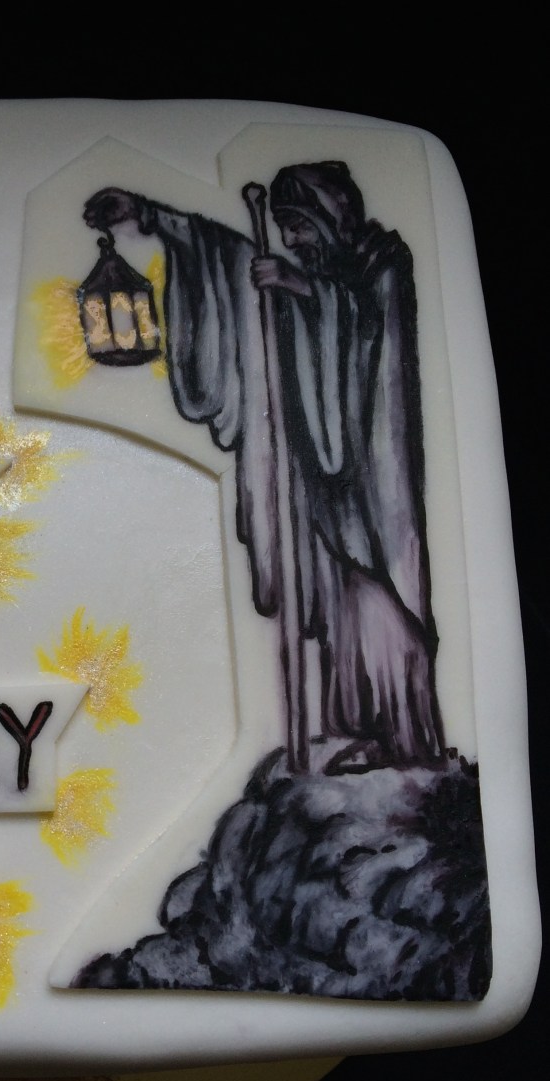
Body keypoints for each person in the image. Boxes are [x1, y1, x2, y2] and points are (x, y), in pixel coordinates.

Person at [84, 162, 444, 769]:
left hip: (370, 471)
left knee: (375, 587)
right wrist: (148, 215)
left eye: (299, 227)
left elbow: (368, 330)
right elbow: (231, 255)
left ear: (330, 218)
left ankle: (406, 736)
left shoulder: (383, 262)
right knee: (339, 591)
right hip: (326, 474)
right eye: (286, 229)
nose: (294, 241)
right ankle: (360, 724)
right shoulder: (320, 272)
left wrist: (305, 291)